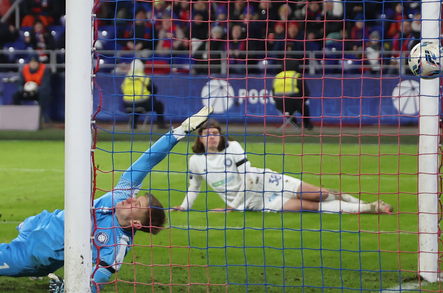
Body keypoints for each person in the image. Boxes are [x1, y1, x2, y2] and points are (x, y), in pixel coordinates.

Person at [0, 107, 215, 293]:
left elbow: (99, 278)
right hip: (43, 222)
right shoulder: (120, 196)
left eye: (137, 204)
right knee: (23, 232)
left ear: (134, 223)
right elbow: (146, 161)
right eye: (137, 196)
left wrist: (71, 291)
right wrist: (178, 132)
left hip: (36, 255)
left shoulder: (117, 244)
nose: (131, 198)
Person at [173, 119, 393, 214]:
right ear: (200, 139)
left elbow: (249, 179)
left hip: (266, 182)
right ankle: (370, 208)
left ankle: (355, 200)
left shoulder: (233, 147)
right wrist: (184, 207)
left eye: (215, 133)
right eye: (207, 134)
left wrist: (232, 207)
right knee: (309, 207)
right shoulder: (195, 161)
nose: (211, 137)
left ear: (221, 136)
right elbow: (194, 187)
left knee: (318, 195)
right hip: (255, 203)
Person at [121, 59, 165, 129]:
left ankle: (133, 124)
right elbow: (154, 90)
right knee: (159, 105)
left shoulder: (127, 78)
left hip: (126, 104)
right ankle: (161, 125)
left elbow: (122, 89)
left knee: (135, 107)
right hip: (143, 103)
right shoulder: (144, 77)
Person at [272, 58, 314, 131]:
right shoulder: (297, 76)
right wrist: (303, 100)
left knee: (287, 111)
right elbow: (305, 92)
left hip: (280, 104)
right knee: (304, 108)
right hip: (295, 102)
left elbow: (273, 93)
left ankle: (295, 123)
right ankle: (307, 124)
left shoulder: (277, 76)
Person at [12, 55, 52, 123]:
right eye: (32, 62)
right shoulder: (25, 69)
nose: (33, 64)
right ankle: (19, 115)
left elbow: (45, 84)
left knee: (44, 95)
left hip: (39, 91)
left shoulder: (44, 69)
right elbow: (20, 82)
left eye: (35, 62)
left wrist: (35, 89)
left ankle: (40, 117)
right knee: (15, 95)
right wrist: (23, 89)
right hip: (27, 91)